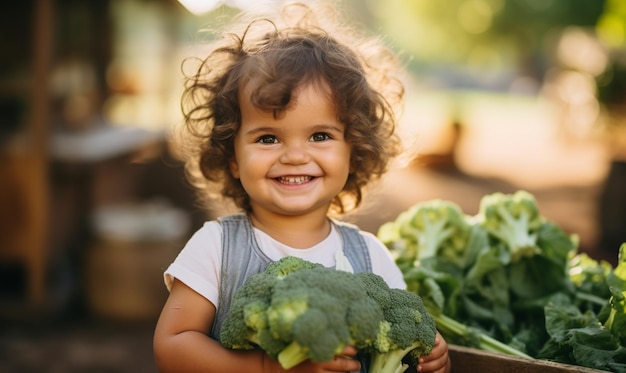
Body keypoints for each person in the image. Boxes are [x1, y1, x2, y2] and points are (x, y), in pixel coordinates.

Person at [153, 2, 451, 372]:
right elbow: (172, 345)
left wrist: (430, 357)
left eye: (320, 135)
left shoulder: (371, 256)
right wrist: (268, 367)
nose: (295, 155)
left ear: (353, 152)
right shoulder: (217, 248)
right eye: (267, 139)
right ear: (232, 157)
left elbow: (401, 338)